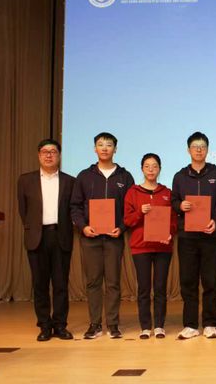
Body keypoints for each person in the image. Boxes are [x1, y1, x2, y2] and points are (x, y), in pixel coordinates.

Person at [70, 132, 135, 339]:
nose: (105, 148)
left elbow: (130, 208)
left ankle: (113, 324)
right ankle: (95, 324)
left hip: (114, 238)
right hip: (90, 238)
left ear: (115, 149)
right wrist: (83, 227)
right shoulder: (84, 176)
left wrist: (121, 227)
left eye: (109, 145)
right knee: (93, 282)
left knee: (114, 282)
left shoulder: (125, 177)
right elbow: (75, 207)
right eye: (100, 144)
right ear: (94, 149)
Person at [16, 138, 76, 341]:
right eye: (45, 152)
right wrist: (33, 229)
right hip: (37, 237)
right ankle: (44, 325)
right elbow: (23, 210)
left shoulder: (70, 181)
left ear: (59, 156)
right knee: (40, 284)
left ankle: (60, 325)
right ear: (39, 155)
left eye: (53, 152)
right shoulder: (25, 180)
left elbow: (72, 209)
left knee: (60, 284)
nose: (49, 155)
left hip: (61, 236)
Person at [171, 131, 216, 340]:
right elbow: (173, 200)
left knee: (210, 281)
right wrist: (180, 205)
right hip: (187, 237)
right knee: (188, 281)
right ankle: (190, 325)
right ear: (188, 150)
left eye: (202, 146)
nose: (199, 150)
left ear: (207, 150)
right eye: (195, 146)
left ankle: (210, 324)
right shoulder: (180, 176)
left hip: (210, 235)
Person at [124, 153, 176, 340]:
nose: (151, 170)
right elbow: (128, 220)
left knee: (160, 287)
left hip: (163, 247)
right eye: (147, 166)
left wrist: (170, 233)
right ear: (142, 169)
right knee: (144, 288)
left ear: (160, 169)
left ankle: (159, 325)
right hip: (141, 247)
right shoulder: (133, 192)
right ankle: (145, 326)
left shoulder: (167, 193)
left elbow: (174, 220)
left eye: (154, 166)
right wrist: (140, 212)